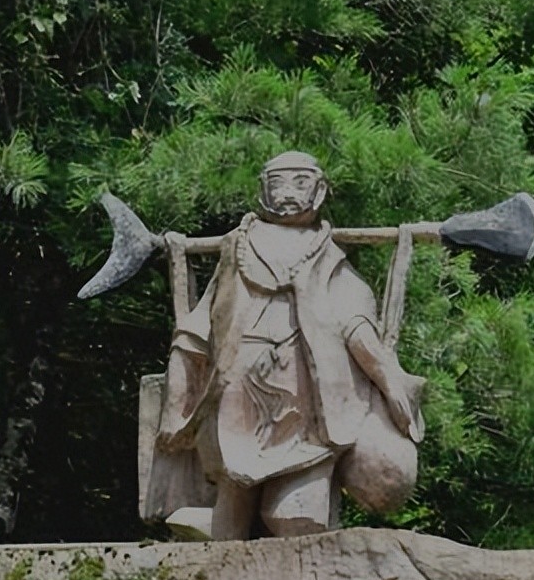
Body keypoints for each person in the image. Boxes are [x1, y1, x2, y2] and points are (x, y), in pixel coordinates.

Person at [154, 151, 425, 539]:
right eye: (278, 182)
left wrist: (389, 381)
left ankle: (302, 569)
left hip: (307, 411)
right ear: (263, 189)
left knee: (295, 516)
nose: (287, 193)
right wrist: (177, 395)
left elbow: (355, 324)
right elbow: (198, 329)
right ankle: (220, 535)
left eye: (300, 182)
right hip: (239, 400)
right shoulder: (239, 248)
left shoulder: (326, 256)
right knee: (233, 498)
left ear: (319, 190)